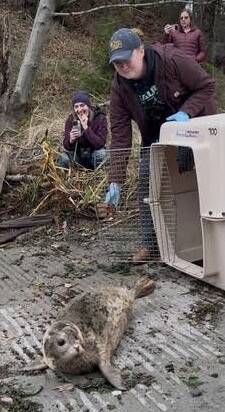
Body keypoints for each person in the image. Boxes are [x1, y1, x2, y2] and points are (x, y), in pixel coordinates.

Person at [104, 27, 216, 263]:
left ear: (140, 51)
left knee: (202, 182)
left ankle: (210, 241)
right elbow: (120, 136)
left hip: (194, 127)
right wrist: (115, 181)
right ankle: (150, 245)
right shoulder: (120, 88)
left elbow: (207, 85)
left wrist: (186, 113)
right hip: (157, 136)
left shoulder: (172, 60)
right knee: (147, 177)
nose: (123, 66)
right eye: (117, 63)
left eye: (126, 59)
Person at [59, 90, 108, 170]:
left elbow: (100, 144)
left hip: (93, 155)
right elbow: (66, 146)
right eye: (76, 107)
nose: (79, 109)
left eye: (82, 105)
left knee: (102, 154)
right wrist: (71, 140)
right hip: (77, 156)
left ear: (88, 106)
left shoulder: (100, 118)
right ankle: (71, 177)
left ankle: (98, 175)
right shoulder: (71, 120)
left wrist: (86, 128)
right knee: (64, 158)